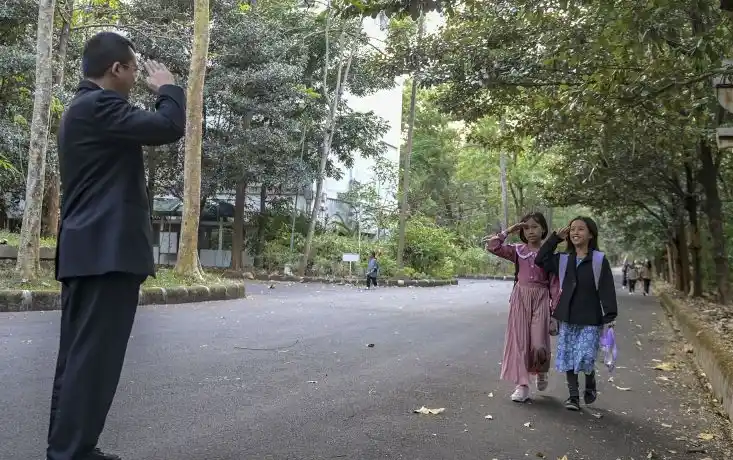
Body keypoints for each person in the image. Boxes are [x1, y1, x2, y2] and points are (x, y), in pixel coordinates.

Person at [48, 32, 186, 460]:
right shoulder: (100, 105)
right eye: (132, 69)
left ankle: (71, 448)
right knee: (94, 361)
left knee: (80, 360)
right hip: (104, 255)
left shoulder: (81, 109)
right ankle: (71, 452)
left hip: (88, 252)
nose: (135, 77)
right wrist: (167, 87)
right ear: (117, 70)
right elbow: (167, 127)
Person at [536, 216, 618, 411]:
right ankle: (573, 397)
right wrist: (555, 238)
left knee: (586, 356)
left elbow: (607, 288)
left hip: (590, 317)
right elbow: (540, 259)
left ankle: (590, 383)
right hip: (568, 315)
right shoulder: (563, 260)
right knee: (569, 357)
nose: (575, 232)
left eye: (581, 229)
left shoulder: (598, 260)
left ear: (591, 234)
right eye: (572, 229)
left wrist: (610, 315)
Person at [484, 212, 553, 403]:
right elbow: (493, 246)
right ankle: (522, 385)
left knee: (539, 343)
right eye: (527, 227)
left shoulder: (549, 253)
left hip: (541, 298)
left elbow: (555, 283)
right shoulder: (517, 250)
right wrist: (509, 231)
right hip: (520, 298)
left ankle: (541, 370)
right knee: (520, 342)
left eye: (535, 227)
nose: (531, 231)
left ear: (543, 229)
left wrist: (555, 311)